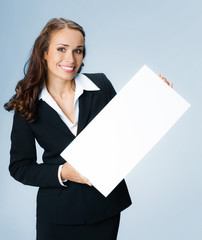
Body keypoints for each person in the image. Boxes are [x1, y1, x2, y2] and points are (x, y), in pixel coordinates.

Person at [4, 18, 172, 240]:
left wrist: (156, 100)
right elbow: (19, 167)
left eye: (78, 51)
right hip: (57, 214)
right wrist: (62, 172)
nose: (70, 59)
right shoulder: (26, 103)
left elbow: (126, 132)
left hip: (104, 208)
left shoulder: (100, 86)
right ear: (44, 52)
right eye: (61, 49)